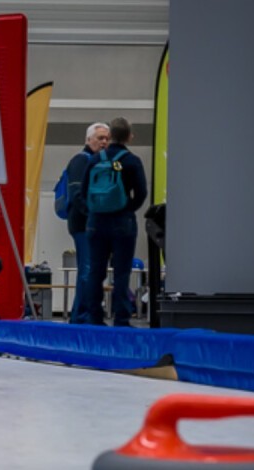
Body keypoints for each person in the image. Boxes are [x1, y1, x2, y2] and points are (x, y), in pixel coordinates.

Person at [83, 117, 147, 326]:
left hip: (96, 221)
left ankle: (94, 317)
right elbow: (141, 193)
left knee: (96, 270)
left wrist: (96, 209)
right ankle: (121, 318)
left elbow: (84, 191)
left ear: (109, 137)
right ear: (129, 136)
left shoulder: (94, 159)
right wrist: (127, 208)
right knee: (121, 272)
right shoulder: (131, 161)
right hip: (122, 222)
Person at [64, 122, 110, 324]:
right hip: (83, 225)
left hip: (96, 225)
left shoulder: (102, 162)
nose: (104, 142)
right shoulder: (80, 161)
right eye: (100, 138)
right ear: (88, 140)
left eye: (107, 138)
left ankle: (83, 314)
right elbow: (76, 195)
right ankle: (81, 317)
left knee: (92, 270)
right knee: (88, 269)